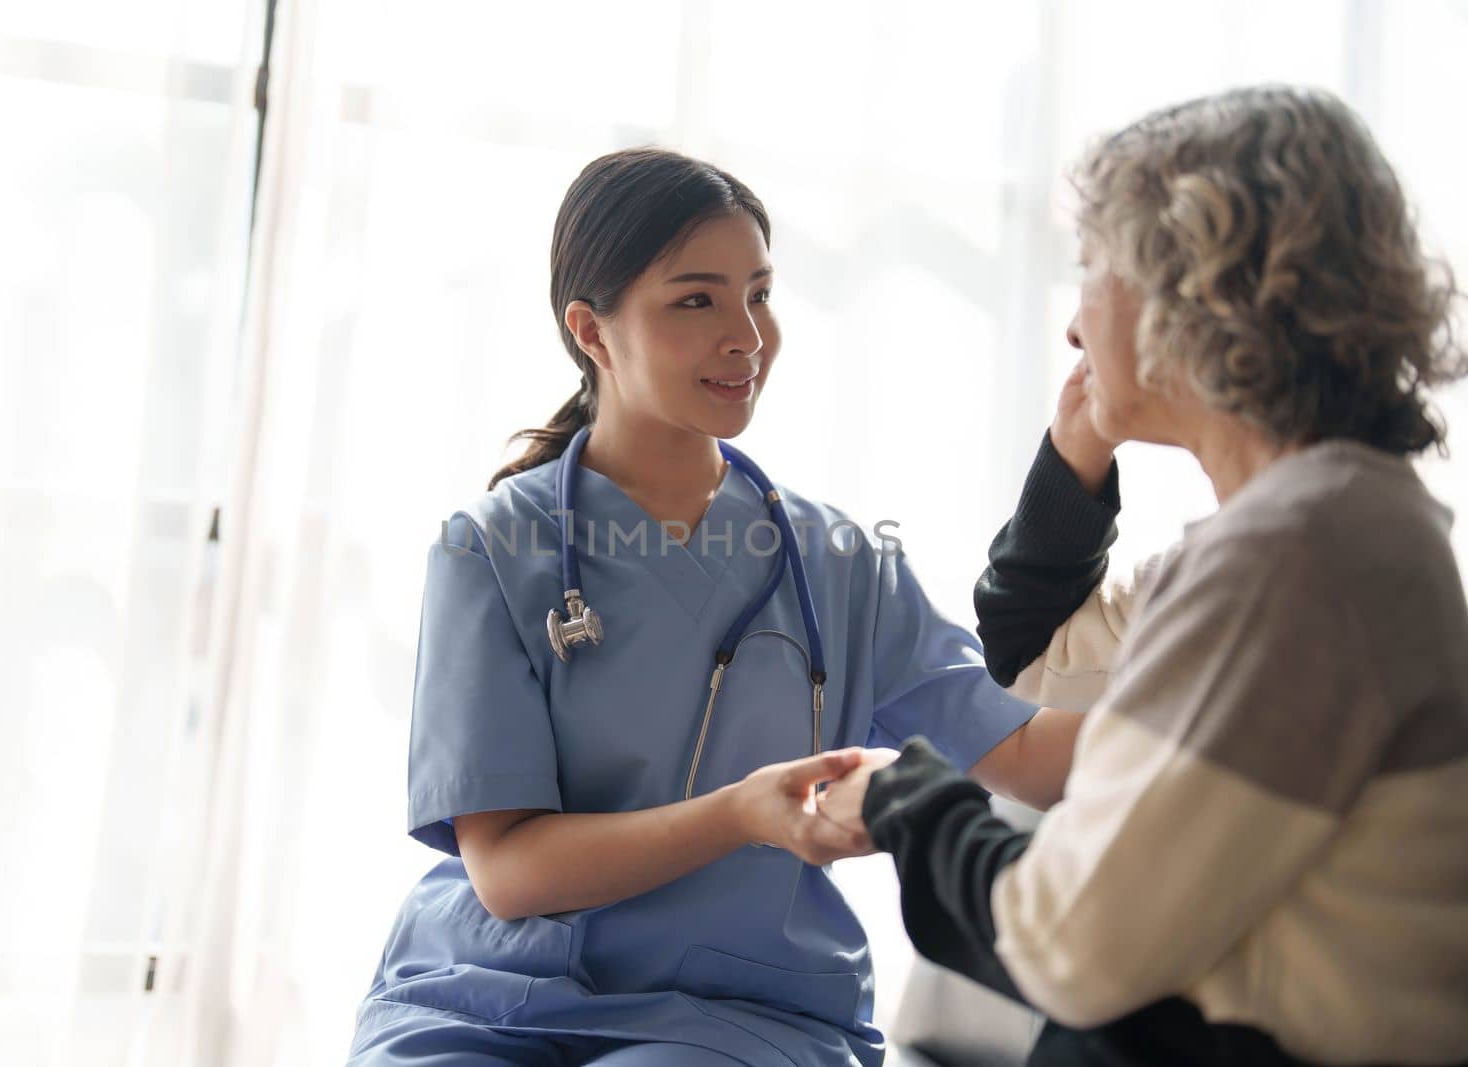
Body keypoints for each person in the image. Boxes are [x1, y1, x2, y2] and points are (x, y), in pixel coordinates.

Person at [345, 147, 1082, 1066]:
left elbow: (1018, 751)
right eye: (696, 300)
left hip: (738, 1012)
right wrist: (740, 814)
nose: (748, 335)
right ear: (592, 330)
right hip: (480, 995)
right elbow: (507, 872)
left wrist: (1234, 721)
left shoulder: (838, 562)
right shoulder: (491, 551)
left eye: (760, 294)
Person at [817, 86, 1468, 1066]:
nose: (1074, 327)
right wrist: (1075, 451)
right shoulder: (1319, 530)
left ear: (1194, 290)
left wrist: (896, 800)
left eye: (1089, 267)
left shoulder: (1301, 556)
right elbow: (1032, 671)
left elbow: (1070, 943)